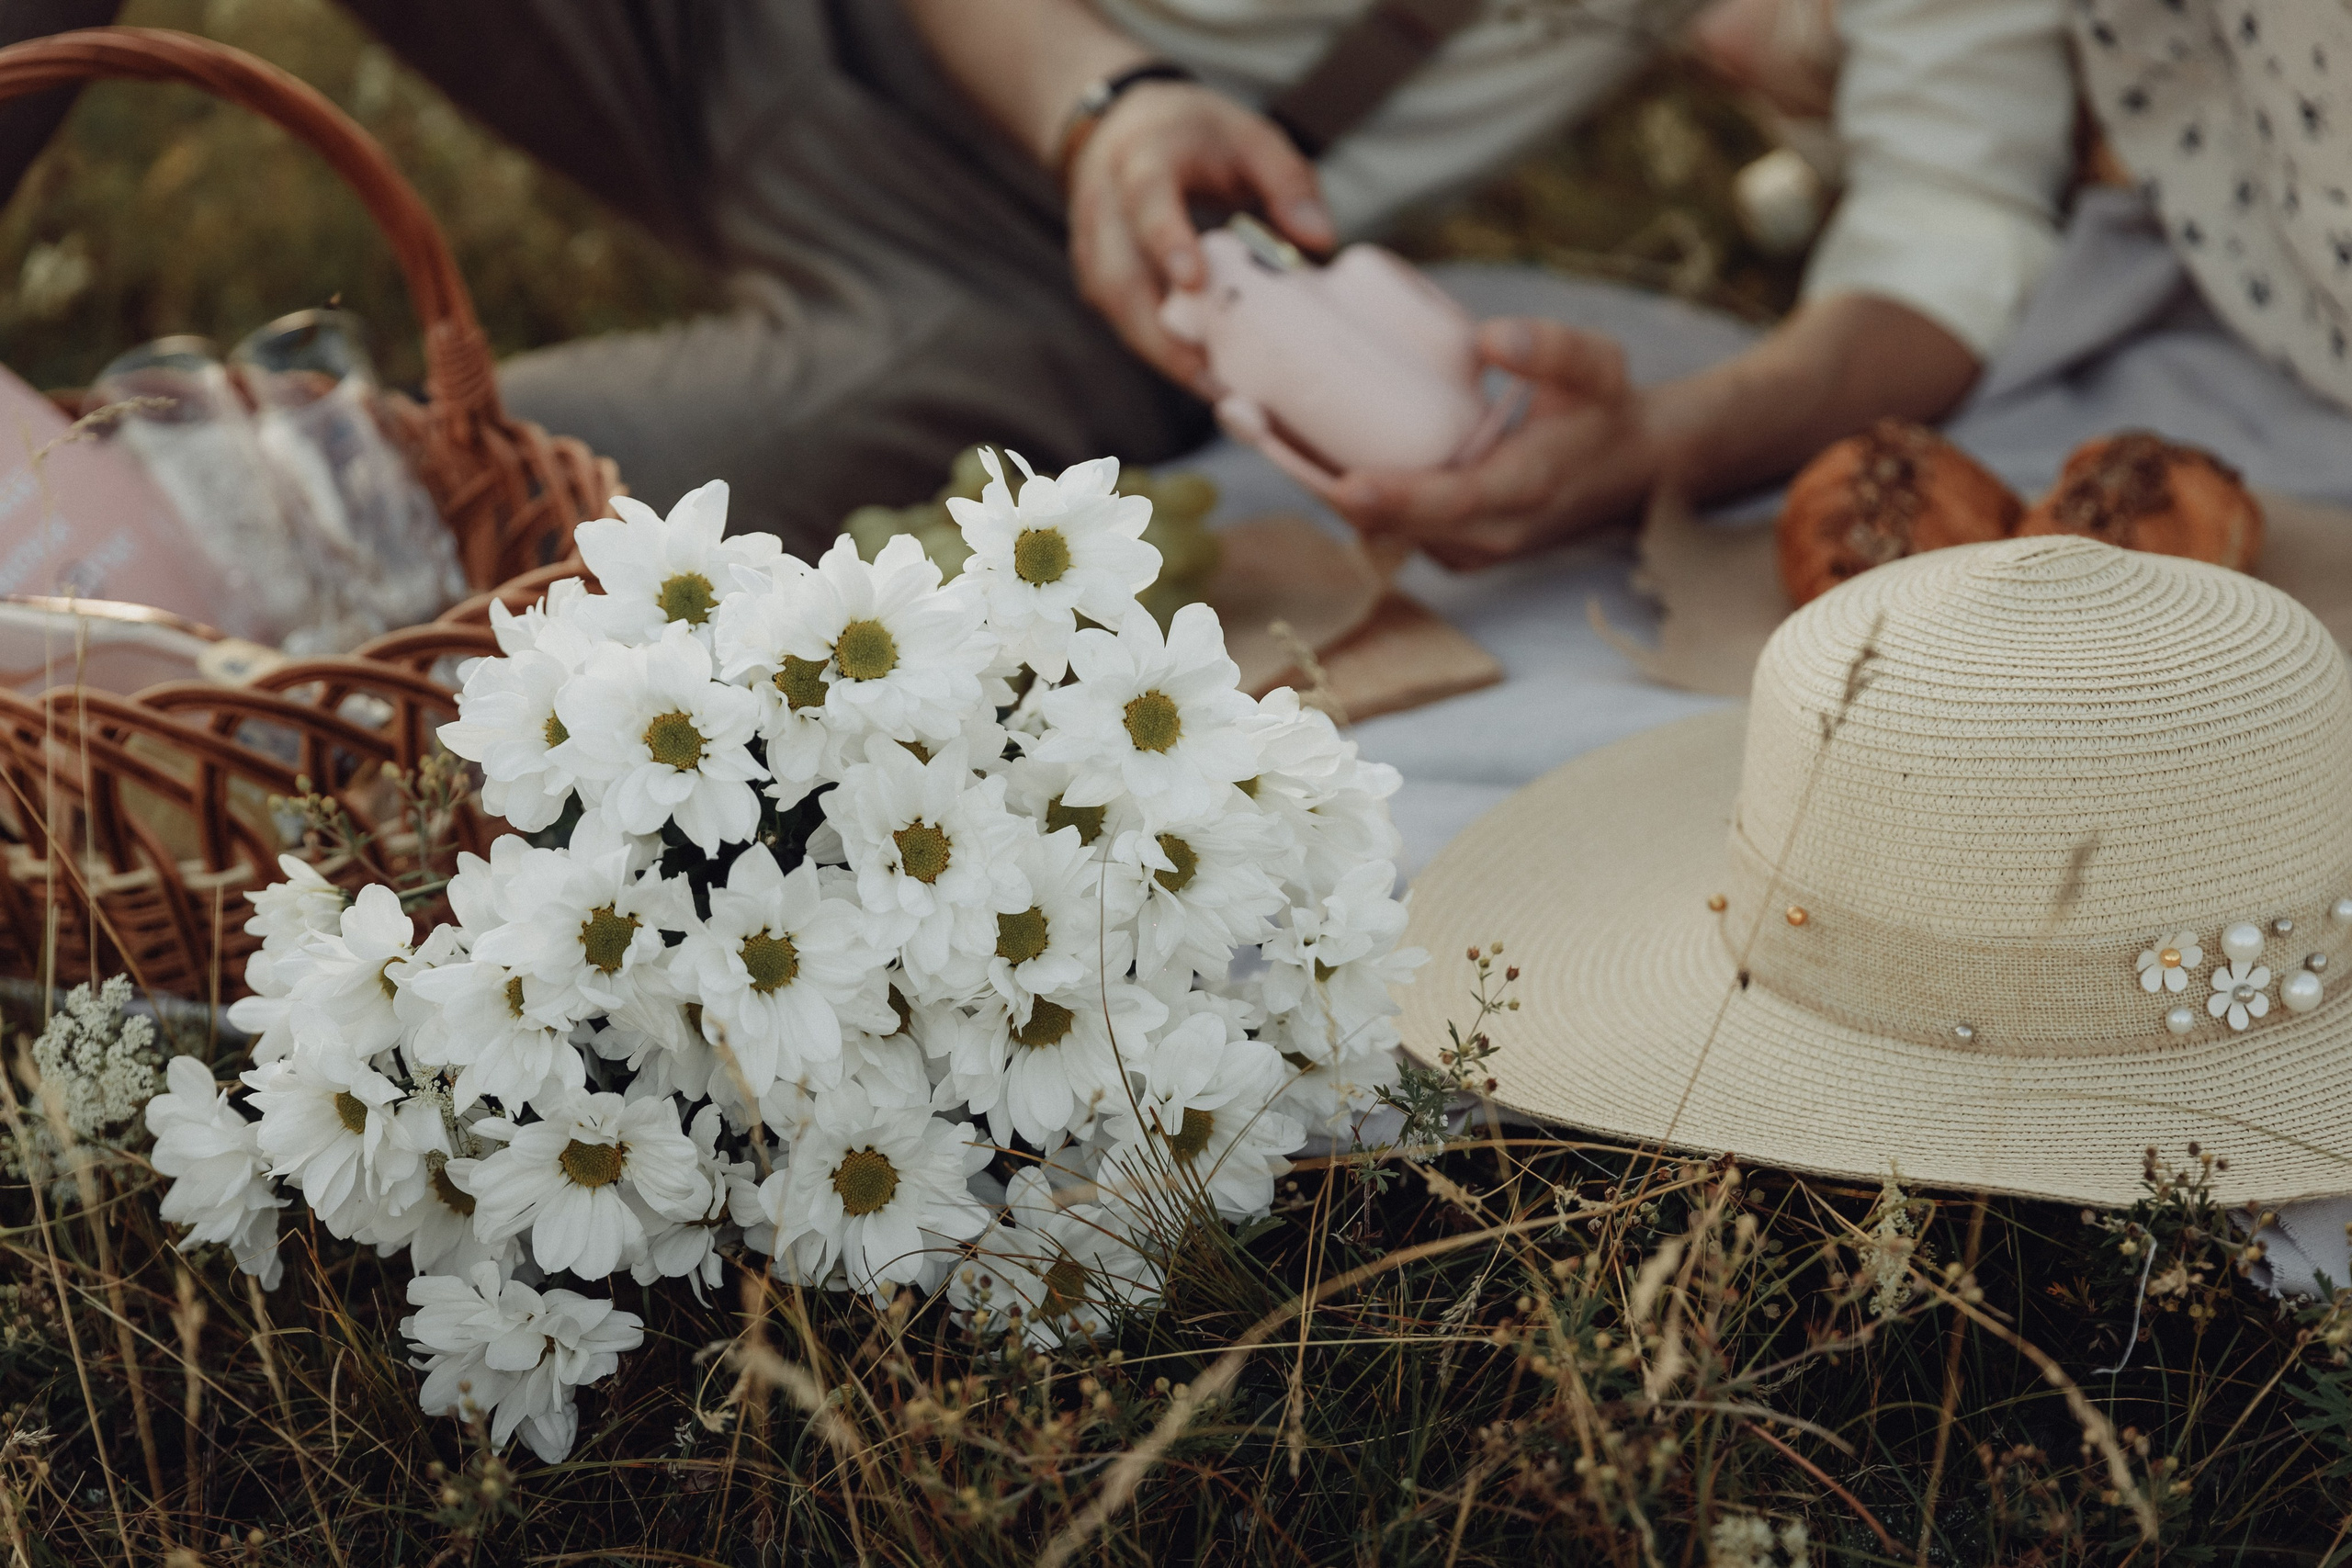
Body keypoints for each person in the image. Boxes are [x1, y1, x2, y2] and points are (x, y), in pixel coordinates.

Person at [0, 0, 2075, 559]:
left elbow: (1943, 247)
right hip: (847, 34)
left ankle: (133, 563)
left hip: (1044, 295)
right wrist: (1112, 101)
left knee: (445, 511)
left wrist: (1661, 442)